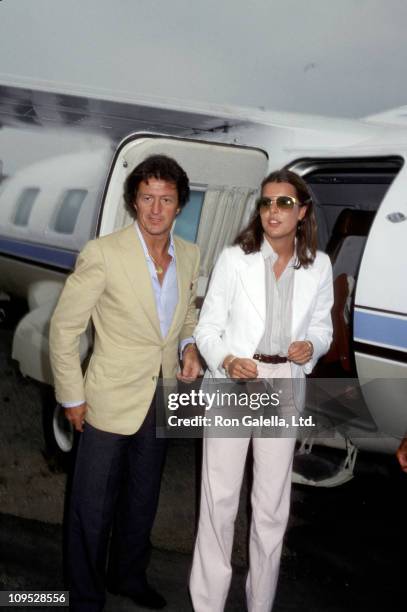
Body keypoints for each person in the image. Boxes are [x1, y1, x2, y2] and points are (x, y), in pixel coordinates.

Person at [49, 154, 201, 612]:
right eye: (147, 198)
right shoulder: (103, 253)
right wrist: (72, 397)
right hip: (107, 398)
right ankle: (84, 596)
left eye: (166, 199)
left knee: (142, 499)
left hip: (161, 395)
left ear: (180, 206)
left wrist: (189, 346)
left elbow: (186, 315)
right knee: (90, 508)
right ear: (134, 202)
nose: (157, 209)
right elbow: (64, 330)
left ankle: (129, 576)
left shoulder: (190, 254)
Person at [189, 169, 333, 612]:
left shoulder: (319, 266)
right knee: (220, 501)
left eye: (284, 203)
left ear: (302, 211)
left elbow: (323, 328)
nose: (274, 210)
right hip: (236, 383)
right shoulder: (235, 259)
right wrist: (227, 359)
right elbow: (207, 328)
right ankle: (208, 604)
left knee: (271, 508)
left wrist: (312, 346)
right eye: (267, 202)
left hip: (284, 384)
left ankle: (260, 604)